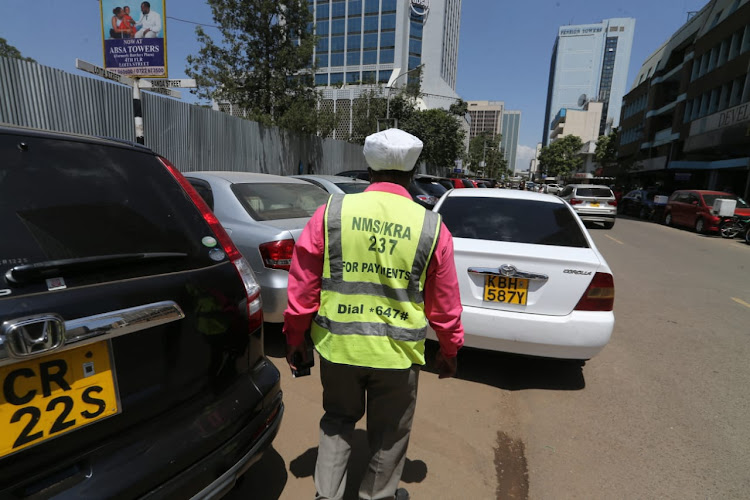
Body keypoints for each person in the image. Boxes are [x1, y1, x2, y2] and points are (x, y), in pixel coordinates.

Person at [284, 128, 464, 500]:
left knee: (337, 421)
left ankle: (326, 496)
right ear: (412, 173)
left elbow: (302, 287)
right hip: (397, 356)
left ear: (368, 169)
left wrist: (295, 338)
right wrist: (450, 350)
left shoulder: (330, 212)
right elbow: (444, 304)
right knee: (389, 436)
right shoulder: (431, 226)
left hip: (339, 348)